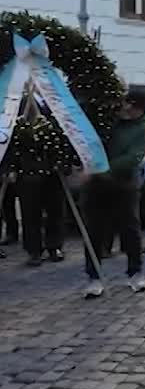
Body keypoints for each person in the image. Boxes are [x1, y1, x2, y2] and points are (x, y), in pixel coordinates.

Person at [81, 90, 145, 298]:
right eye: (126, 103)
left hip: (123, 187)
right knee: (94, 231)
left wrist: (100, 169)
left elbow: (131, 159)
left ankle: (135, 272)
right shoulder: (108, 121)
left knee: (130, 230)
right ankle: (93, 276)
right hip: (96, 187)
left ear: (141, 110)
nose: (127, 108)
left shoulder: (142, 130)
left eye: (134, 106)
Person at [18, 94, 66, 266]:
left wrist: (61, 162)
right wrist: (10, 168)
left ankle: (54, 246)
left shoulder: (54, 103)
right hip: (27, 171)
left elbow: (63, 136)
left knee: (55, 210)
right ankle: (34, 250)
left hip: (51, 170)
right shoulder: (18, 104)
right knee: (30, 213)